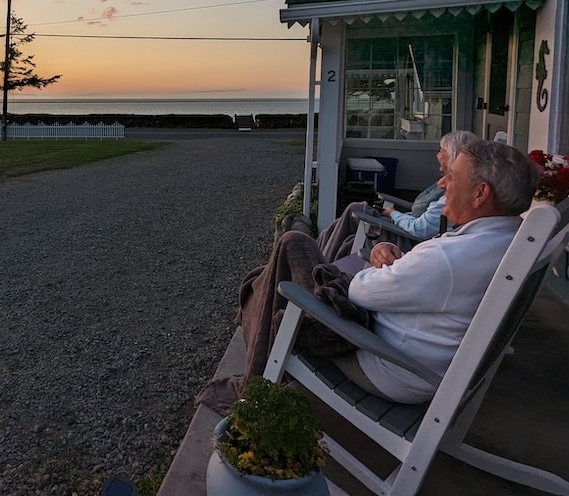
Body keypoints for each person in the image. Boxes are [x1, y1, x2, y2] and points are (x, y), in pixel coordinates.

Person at [197, 138, 538, 412]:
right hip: (415, 359)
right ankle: (258, 299)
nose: (442, 183)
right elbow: (427, 281)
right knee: (284, 267)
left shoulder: (453, 258)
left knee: (292, 246)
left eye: (453, 178)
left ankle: (251, 388)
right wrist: (390, 255)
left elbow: (359, 292)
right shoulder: (505, 240)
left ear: (480, 193)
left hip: (385, 361)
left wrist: (376, 267)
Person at [317, 130, 479, 261]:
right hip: (404, 227)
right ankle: (320, 252)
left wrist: (393, 214)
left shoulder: (452, 197)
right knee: (346, 235)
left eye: (441, 151)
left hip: (405, 238)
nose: (437, 155)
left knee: (356, 210)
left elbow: (419, 229)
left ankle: (320, 257)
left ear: (453, 156)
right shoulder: (453, 187)